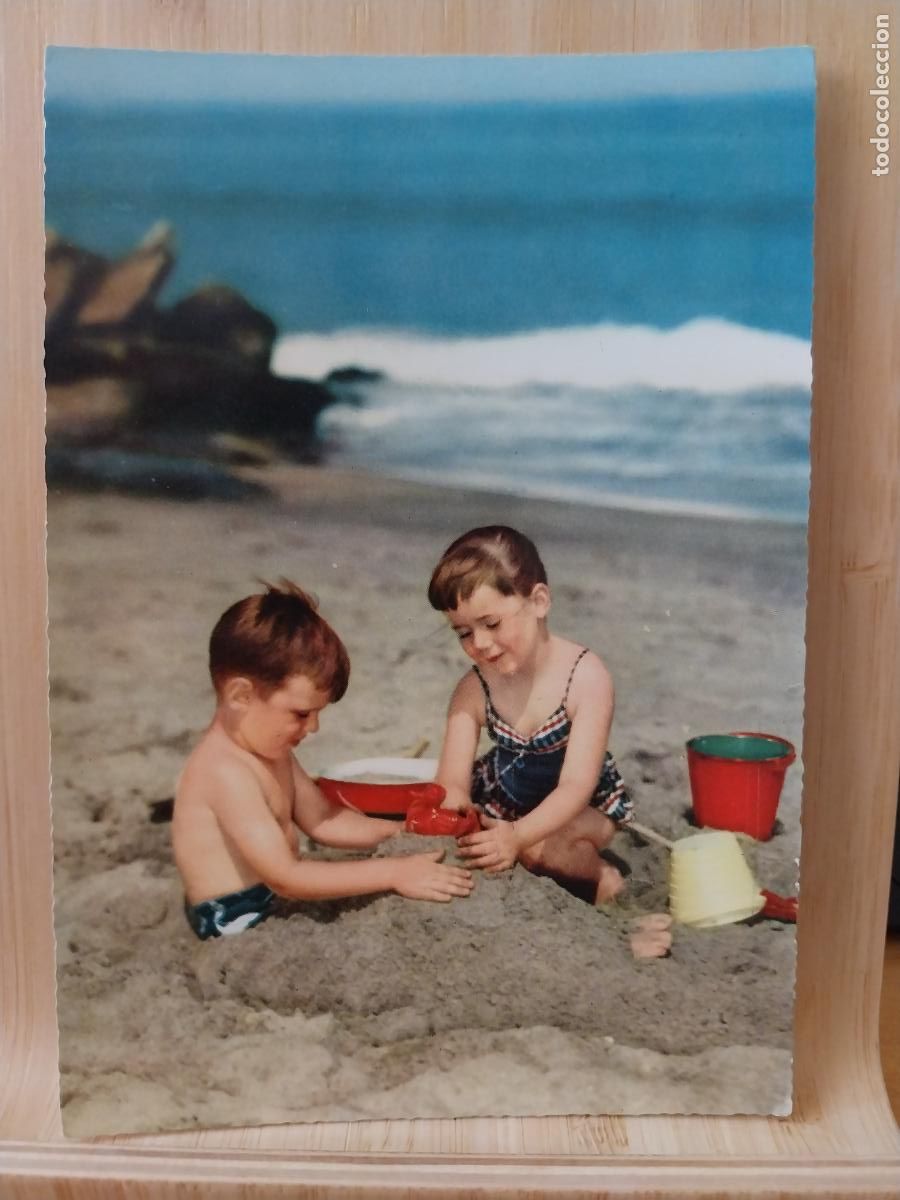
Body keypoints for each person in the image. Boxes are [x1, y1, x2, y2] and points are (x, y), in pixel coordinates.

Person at [174, 580, 473, 939]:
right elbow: (286, 876)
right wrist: (394, 872)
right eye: (301, 713)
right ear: (241, 695)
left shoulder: (270, 750)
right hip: (233, 914)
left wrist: (400, 832)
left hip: (272, 891)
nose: (313, 727)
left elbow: (324, 819)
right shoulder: (225, 771)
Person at [427, 526, 634, 903]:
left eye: (491, 624)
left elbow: (575, 786)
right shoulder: (473, 689)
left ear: (538, 602)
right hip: (507, 801)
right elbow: (451, 783)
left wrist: (518, 836)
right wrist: (459, 812)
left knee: (543, 850)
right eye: (463, 633)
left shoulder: (585, 678)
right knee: (484, 845)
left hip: (581, 809)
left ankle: (604, 879)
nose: (480, 644)